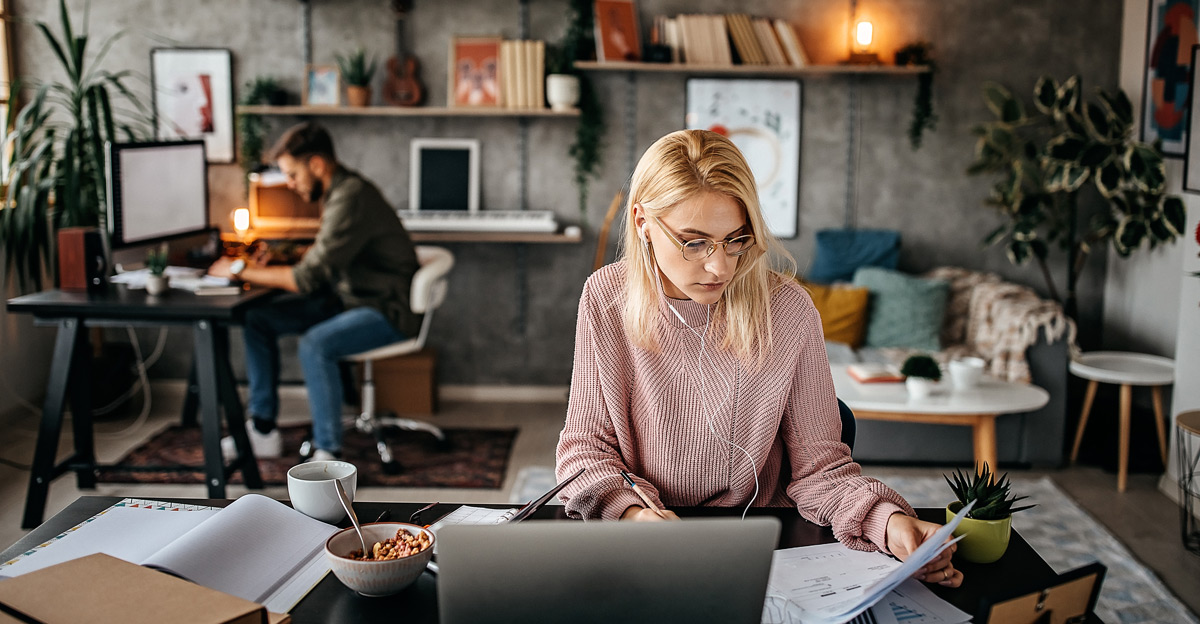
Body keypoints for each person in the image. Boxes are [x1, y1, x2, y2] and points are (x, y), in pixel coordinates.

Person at [554, 129, 962, 587]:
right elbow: (585, 453)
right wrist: (633, 516)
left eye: (736, 239)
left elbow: (821, 471)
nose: (721, 267)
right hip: (646, 547)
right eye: (694, 242)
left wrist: (889, 523)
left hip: (766, 545)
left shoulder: (789, 310)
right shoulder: (605, 299)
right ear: (643, 221)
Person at [209, 122, 420, 463]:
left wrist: (238, 269)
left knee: (315, 344)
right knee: (257, 320)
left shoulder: (351, 197)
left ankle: (328, 452)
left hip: (385, 308)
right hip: (349, 298)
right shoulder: (339, 190)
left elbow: (306, 280)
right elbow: (326, 254)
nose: (290, 185)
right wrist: (280, 257)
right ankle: (263, 430)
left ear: (317, 165)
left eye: (292, 175)